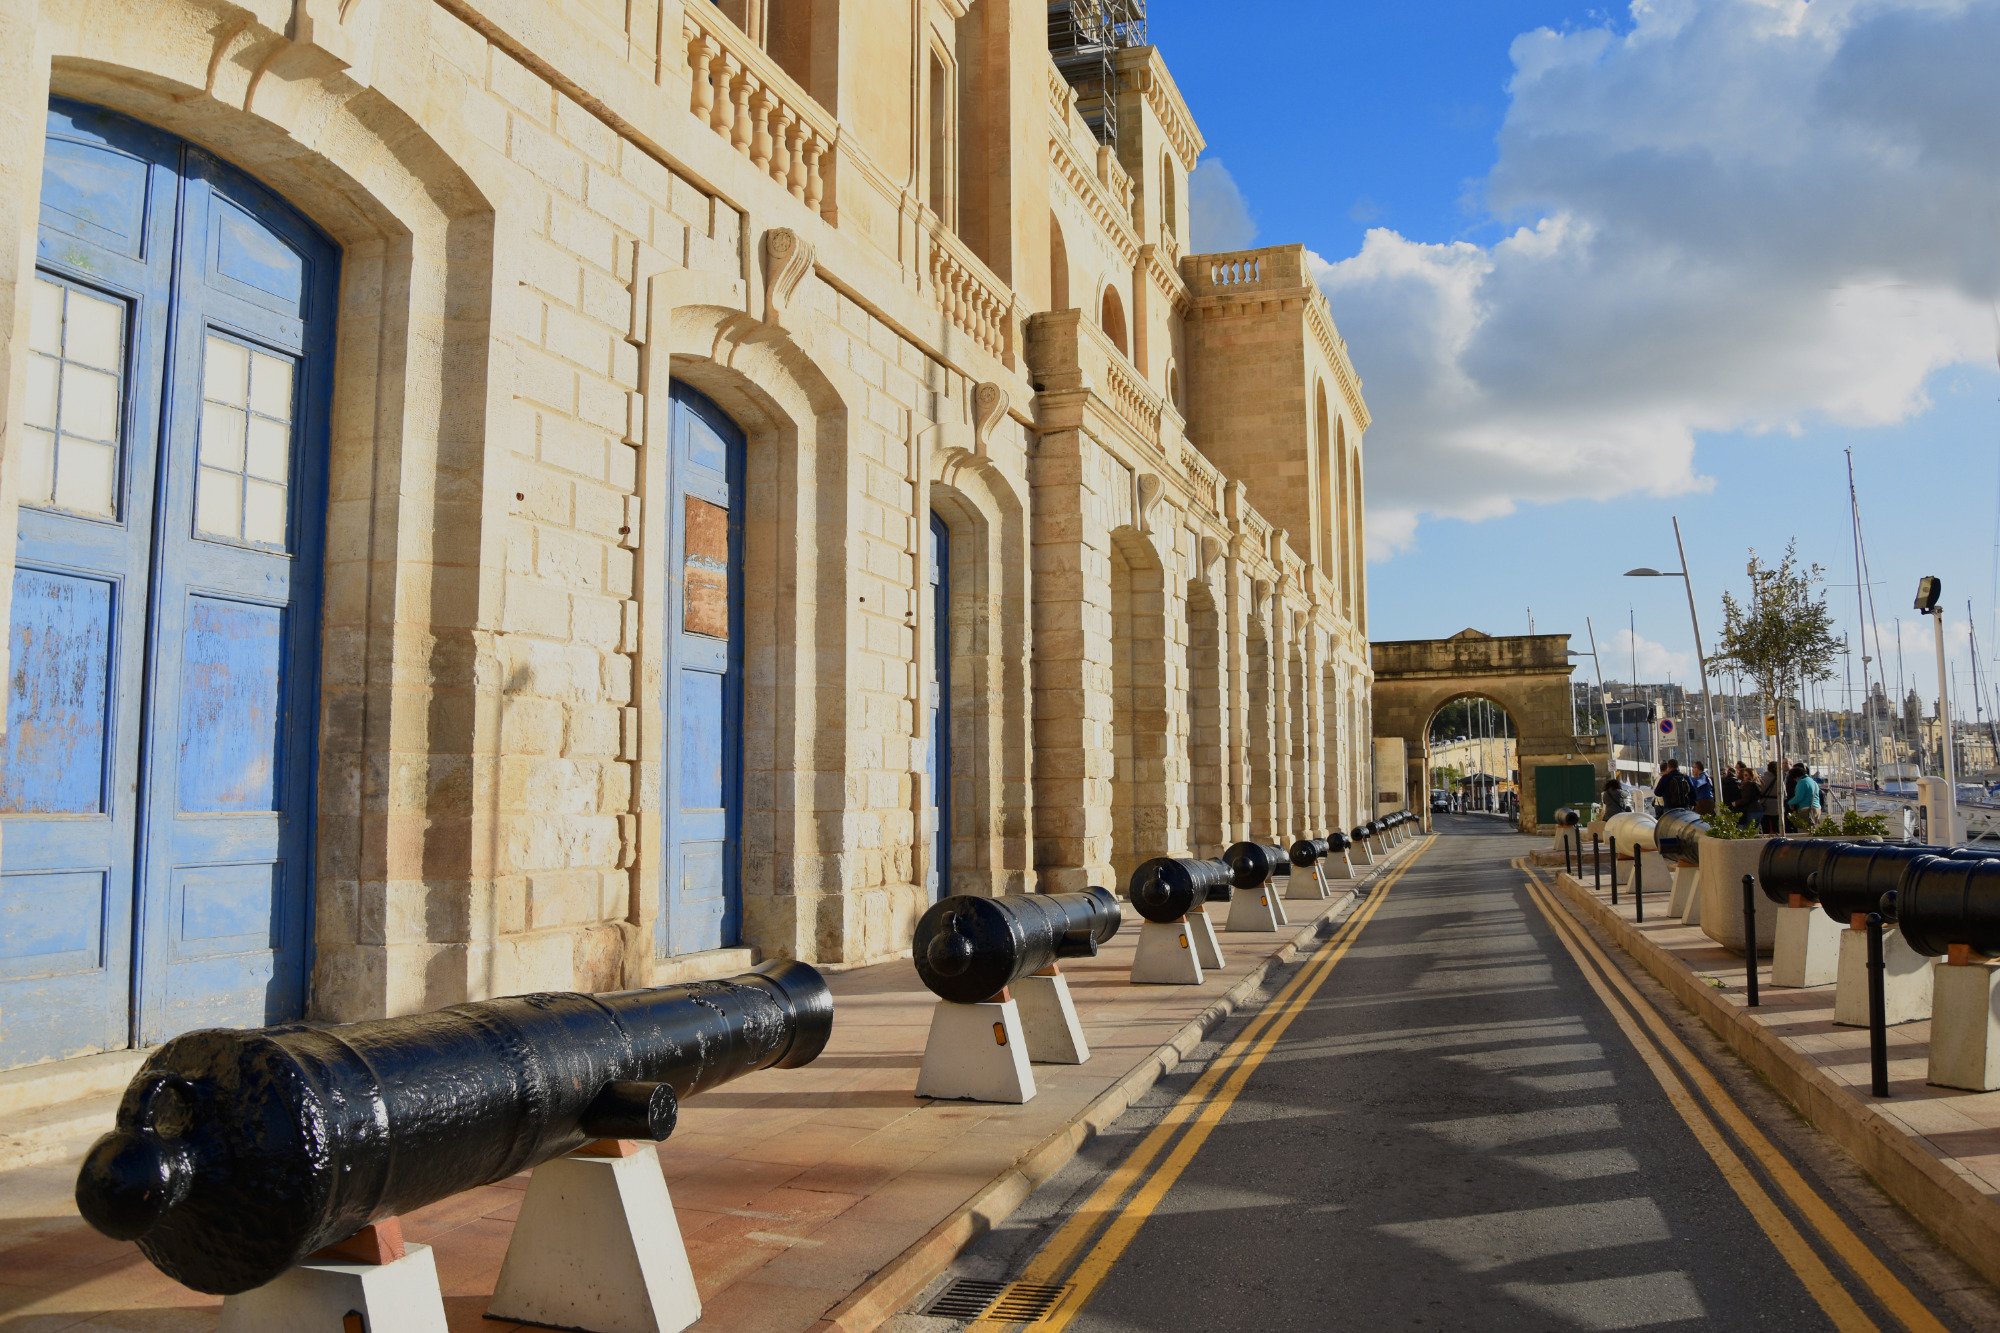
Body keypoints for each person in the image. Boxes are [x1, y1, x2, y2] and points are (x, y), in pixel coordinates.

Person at [1787, 762, 1821, 830]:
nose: (1795, 780)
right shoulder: (1813, 781)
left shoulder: (1802, 782)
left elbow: (1798, 797)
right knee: (1813, 831)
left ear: (1796, 776)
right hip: (1817, 809)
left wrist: (1789, 802)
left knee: (1804, 832)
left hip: (1806, 810)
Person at [1760, 762, 1783, 835]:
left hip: (1764, 803)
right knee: (1777, 826)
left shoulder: (1762, 779)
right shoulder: (1779, 779)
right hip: (1777, 804)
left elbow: (1758, 791)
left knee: (1765, 826)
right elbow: (1784, 795)